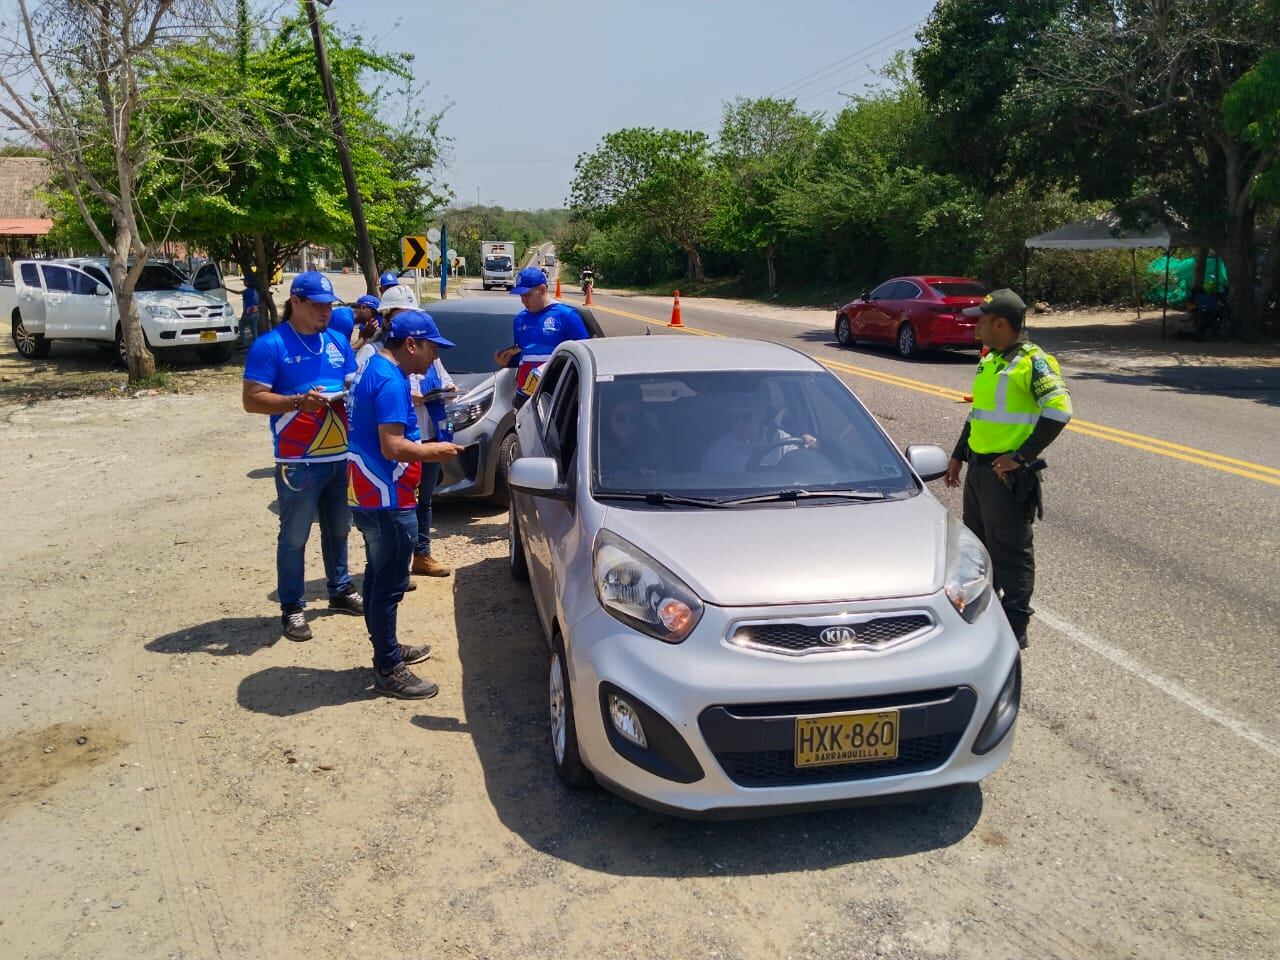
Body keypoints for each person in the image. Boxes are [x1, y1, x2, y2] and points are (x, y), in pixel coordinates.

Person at [943, 289, 1073, 650]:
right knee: (977, 549)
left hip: (1007, 476)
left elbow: (1060, 410)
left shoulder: (1032, 362)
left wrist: (1021, 456)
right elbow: (979, 413)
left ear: (1000, 323)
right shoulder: (990, 359)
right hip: (981, 471)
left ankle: (1014, 630)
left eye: (981, 319)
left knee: (1012, 554)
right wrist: (958, 455)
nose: (974, 324)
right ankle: (985, 615)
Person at [346, 309, 464, 699]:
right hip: (385, 497)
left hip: (371, 492)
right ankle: (388, 668)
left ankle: (388, 650)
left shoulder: (374, 368)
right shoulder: (391, 381)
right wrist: (435, 450)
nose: (434, 358)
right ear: (411, 344)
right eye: (432, 348)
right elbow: (392, 445)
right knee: (389, 583)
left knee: (379, 576)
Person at [242, 270, 364, 642]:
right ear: (295, 302)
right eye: (317, 306)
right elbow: (252, 400)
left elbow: (351, 382)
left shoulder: (337, 342)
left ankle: (339, 589)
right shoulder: (271, 345)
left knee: (339, 528)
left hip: (338, 455)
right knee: (294, 536)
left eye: (329, 306)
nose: (325, 312)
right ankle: (292, 607)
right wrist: (298, 401)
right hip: (297, 460)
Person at [493, 266, 590, 406]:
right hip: (525, 395)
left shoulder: (566, 315)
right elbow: (523, 355)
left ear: (542, 289)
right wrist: (507, 361)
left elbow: (583, 356)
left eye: (527, 295)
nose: (523, 301)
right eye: (521, 296)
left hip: (555, 396)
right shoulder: (520, 319)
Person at [410, 353, 458, 577]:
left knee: (425, 501)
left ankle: (422, 555)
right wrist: (407, 396)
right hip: (407, 440)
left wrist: (449, 390)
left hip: (432, 436)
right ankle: (398, 562)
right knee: (404, 504)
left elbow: (446, 382)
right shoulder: (393, 363)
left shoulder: (434, 360)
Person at [700, 389, 817, 473]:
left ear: (761, 413)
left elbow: (804, 470)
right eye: (734, 418)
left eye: (746, 417)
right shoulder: (718, 453)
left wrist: (810, 446)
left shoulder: (782, 442)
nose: (739, 423)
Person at [598, 383, 661, 483]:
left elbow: (666, 470)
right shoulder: (598, 451)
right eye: (620, 417)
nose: (627, 423)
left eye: (633, 417)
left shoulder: (650, 445)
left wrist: (657, 431)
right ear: (609, 419)